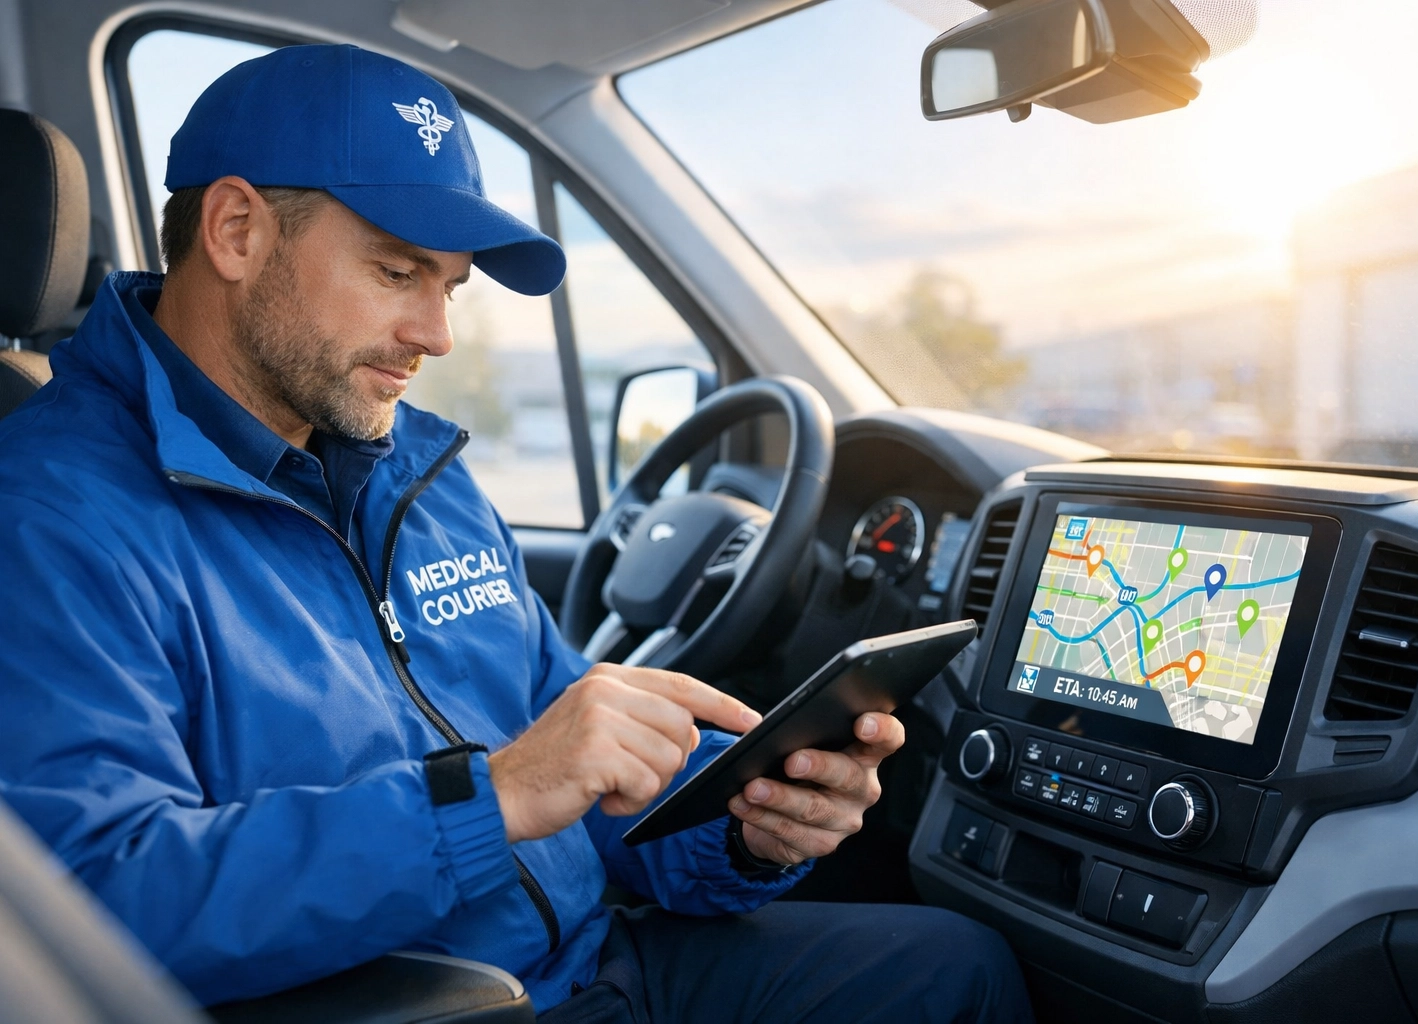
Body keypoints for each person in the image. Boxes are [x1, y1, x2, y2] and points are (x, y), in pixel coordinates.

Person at [0, 44, 1030, 1021]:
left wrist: (748, 830)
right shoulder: (49, 517)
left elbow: (572, 750)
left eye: (447, 288)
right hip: (416, 1003)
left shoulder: (417, 477)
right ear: (235, 233)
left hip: (586, 961)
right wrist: (490, 798)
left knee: (959, 966)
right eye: (398, 272)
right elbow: (91, 906)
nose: (437, 336)